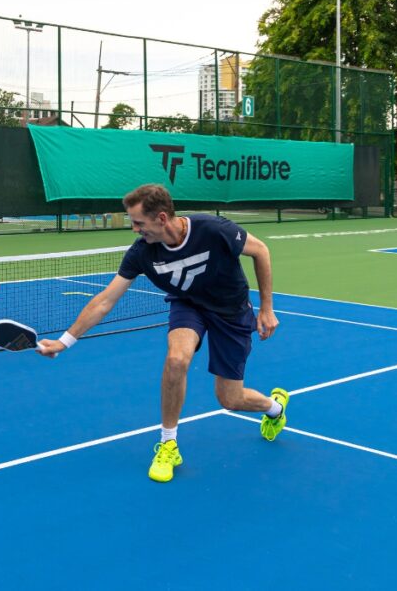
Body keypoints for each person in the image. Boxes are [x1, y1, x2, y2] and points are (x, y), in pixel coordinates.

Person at [37, 184, 286, 483]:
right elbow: (105, 300)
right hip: (188, 305)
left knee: (230, 400)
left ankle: (275, 407)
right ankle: (169, 444)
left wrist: (267, 308)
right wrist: (64, 342)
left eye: (139, 223)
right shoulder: (142, 253)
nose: (134, 229)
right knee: (177, 359)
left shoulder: (212, 229)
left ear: (162, 218)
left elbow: (260, 250)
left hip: (230, 313)